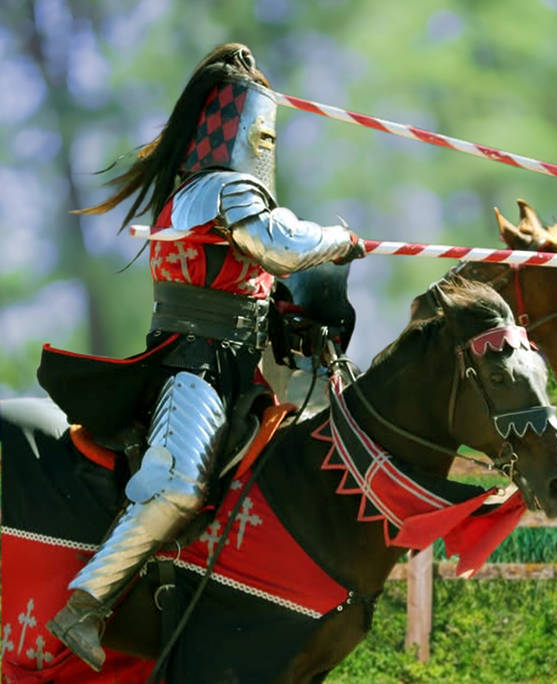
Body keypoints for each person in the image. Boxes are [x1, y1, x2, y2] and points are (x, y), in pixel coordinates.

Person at [40, 43, 365, 671]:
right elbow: (279, 246)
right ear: (240, 124)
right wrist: (339, 239)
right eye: (262, 132)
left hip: (246, 368)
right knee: (179, 485)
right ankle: (86, 603)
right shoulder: (218, 191)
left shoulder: (222, 193)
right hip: (196, 365)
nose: (266, 144)